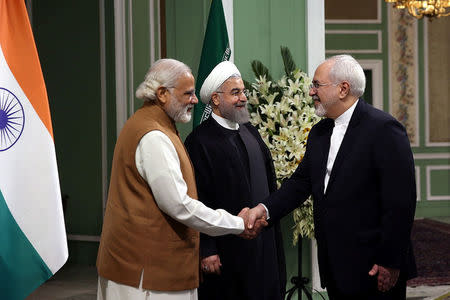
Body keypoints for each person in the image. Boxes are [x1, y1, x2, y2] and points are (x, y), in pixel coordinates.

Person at [247, 55, 417, 300]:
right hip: (335, 263)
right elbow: (300, 183)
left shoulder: (384, 129)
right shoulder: (319, 132)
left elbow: (400, 204)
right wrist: (264, 210)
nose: (311, 91)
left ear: (343, 89)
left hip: (374, 265)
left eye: (317, 85)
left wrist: (390, 261)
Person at [96, 58, 266, 300]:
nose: (196, 100)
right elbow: (178, 205)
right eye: (188, 93)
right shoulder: (154, 135)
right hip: (147, 274)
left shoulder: (150, 124)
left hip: (142, 268)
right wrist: (238, 224)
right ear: (163, 94)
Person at [184, 61, 286, 300]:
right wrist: (207, 249)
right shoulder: (200, 141)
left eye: (243, 91)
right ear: (216, 99)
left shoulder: (249, 129)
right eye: (235, 92)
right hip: (228, 248)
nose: (243, 98)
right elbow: (198, 198)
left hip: (264, 242)